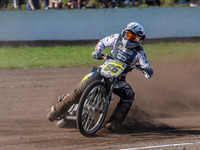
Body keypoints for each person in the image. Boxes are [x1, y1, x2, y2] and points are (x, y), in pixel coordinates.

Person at [47, 22, 154, 131]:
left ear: (139, 39)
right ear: (124, 32)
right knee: (81, 88)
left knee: (129, 95)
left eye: (132, 37)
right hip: (101, 72)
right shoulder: (117, 38)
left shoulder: (139, 52)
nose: (128, 38)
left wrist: (146, 70)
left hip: (118, 80)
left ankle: (114, 123)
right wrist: (97, 51)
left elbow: (147, 67)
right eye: (127, 34)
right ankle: (57, 111)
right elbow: (102, 42)